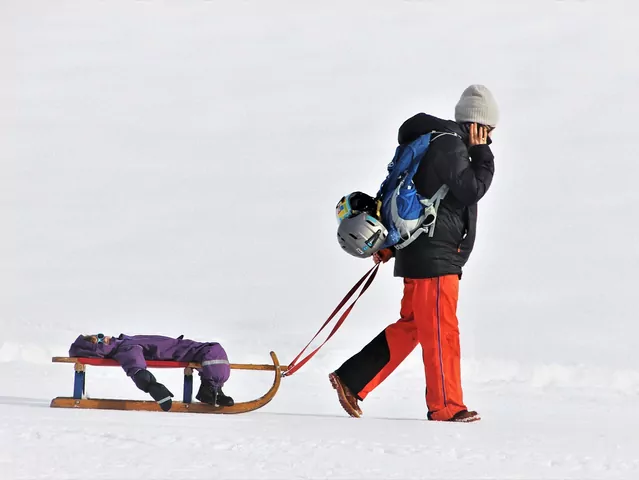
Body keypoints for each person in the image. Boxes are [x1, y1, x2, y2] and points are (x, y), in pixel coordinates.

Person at [329, 84, 498, 423]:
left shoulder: (436, 142)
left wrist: (392, 243)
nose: (489, 138)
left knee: (415, 326)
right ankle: (447, 406)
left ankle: (352, 379)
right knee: (441, 330)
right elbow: (470, 190)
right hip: (434, 257)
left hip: (424, 252)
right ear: (476, 124)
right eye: (488, 131)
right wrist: (482, 155)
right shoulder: (451, 147)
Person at [69, 333, 234, 410]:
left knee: (212, 350)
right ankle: (211, 390)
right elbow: (135, 364)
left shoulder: (123, 342)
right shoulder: (126, 347)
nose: (104, 337)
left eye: (100, 335)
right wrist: (152, 386)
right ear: (98, 349)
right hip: (182, 351)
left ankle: (213, 389)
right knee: (214, 350)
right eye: (98, 340)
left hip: (182, 347)